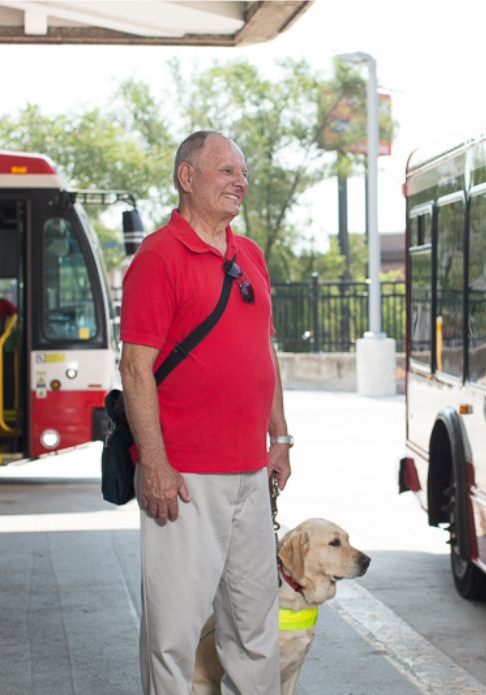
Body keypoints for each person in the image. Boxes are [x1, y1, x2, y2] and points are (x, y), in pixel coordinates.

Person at [119, 130, 292, 694]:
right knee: (173, 632)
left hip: (249, 470)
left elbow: (264, 352)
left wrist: (281, 439)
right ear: (187, 177)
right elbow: (135, 369)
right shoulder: (157, 258)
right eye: (225, 170)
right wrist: (156, 464)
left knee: (254, 624)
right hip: (186, 476)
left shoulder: (251, 255)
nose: (239, 181)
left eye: (242, 173)